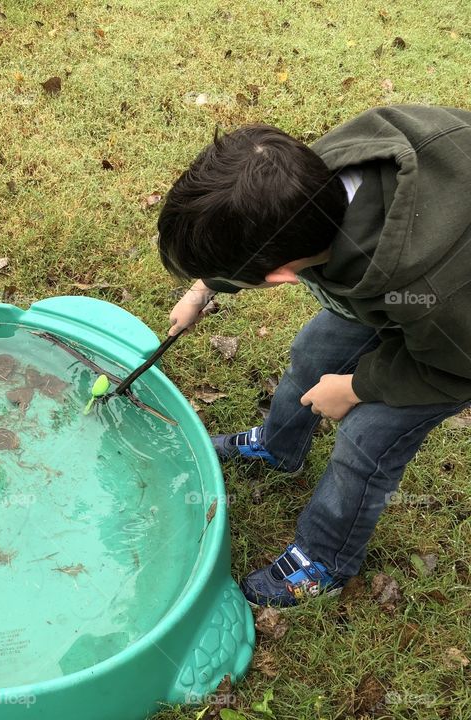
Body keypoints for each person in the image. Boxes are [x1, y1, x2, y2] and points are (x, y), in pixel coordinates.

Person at [158, 106, 471, 607]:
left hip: (454, 345)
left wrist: (354, 388)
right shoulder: (306, 178)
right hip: (394, 291)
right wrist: (204, 288)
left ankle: (325, 558)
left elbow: (454, 368)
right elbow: (256, 230)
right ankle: (279, 447)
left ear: (281, 274)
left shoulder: (437, 285)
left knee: (366, 442)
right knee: (315, 350)